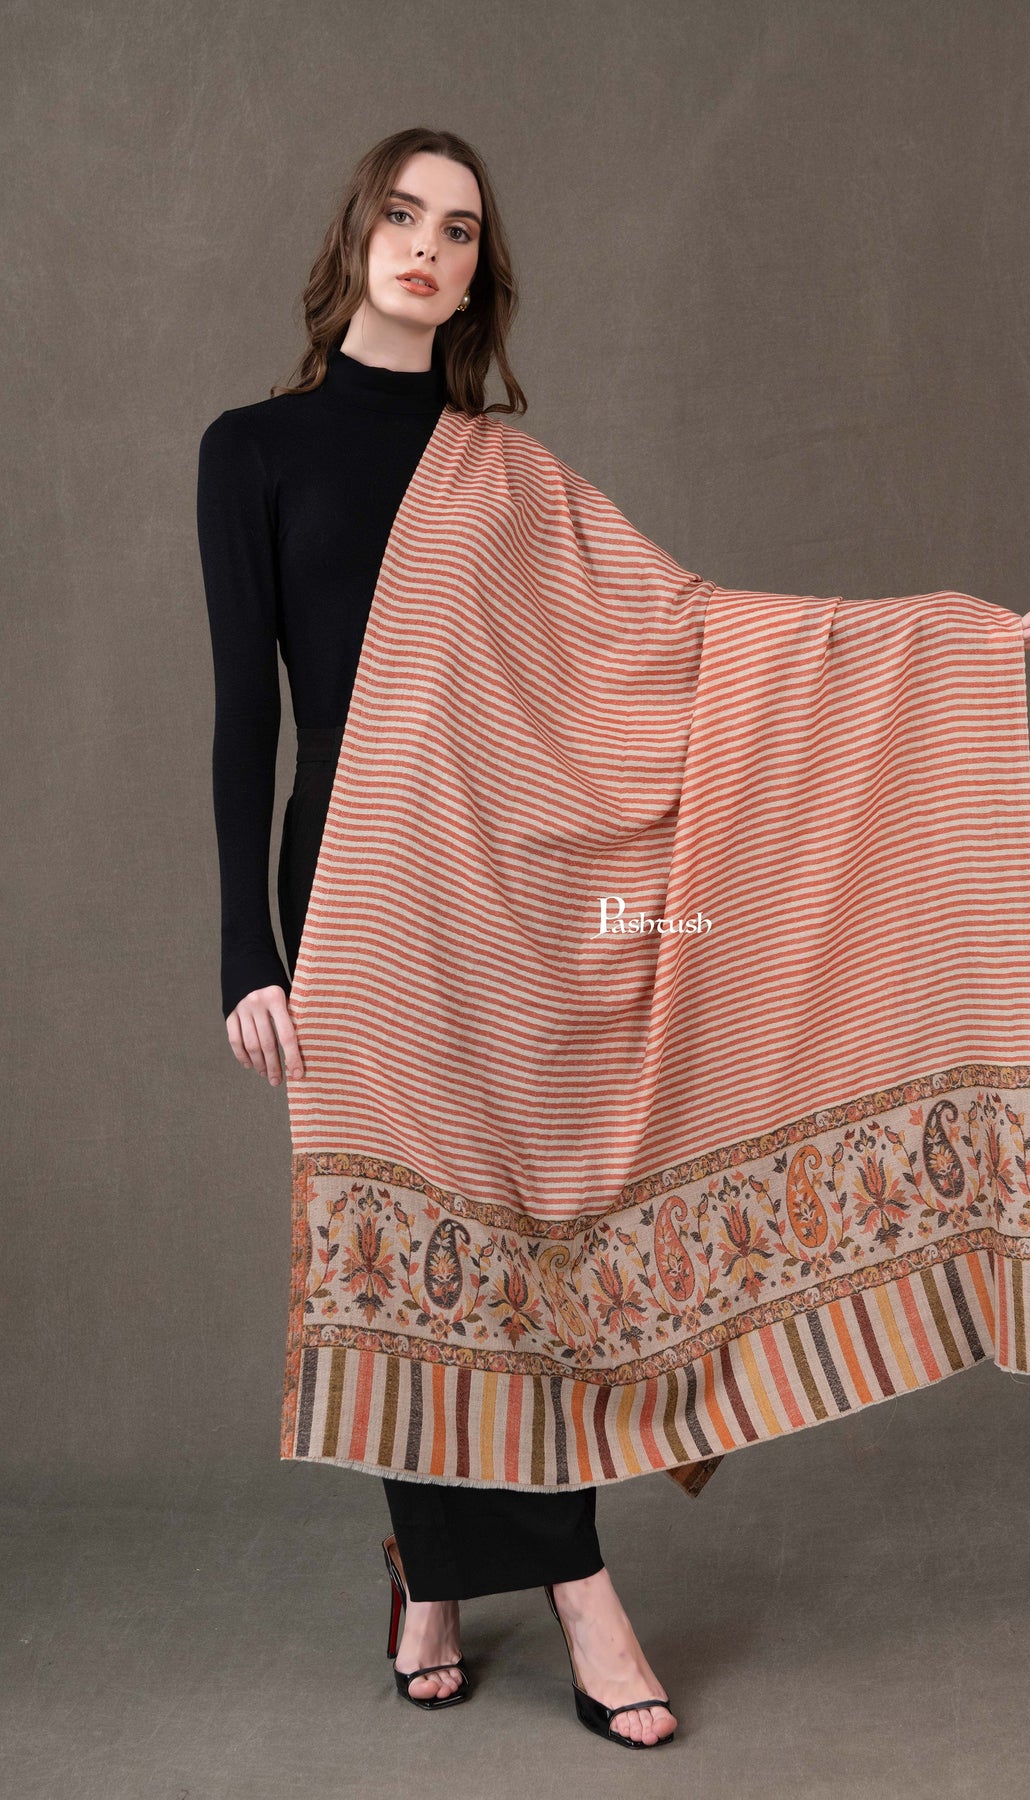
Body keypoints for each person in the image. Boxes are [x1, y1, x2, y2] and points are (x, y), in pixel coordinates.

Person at [197, 126, 681, 1747]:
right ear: (357, 236)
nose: (427, 246)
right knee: (404, 1231)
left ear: (480, 275)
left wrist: (929, 651)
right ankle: (570, 1587)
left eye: (459, 230)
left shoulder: (510, 477)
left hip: (506, 885)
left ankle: (448, 1573)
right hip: (348, 885)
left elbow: (675, 638)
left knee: (519, 1229)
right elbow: (246, 718)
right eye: (403, 215)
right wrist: (246, 951)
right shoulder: (251, 451)